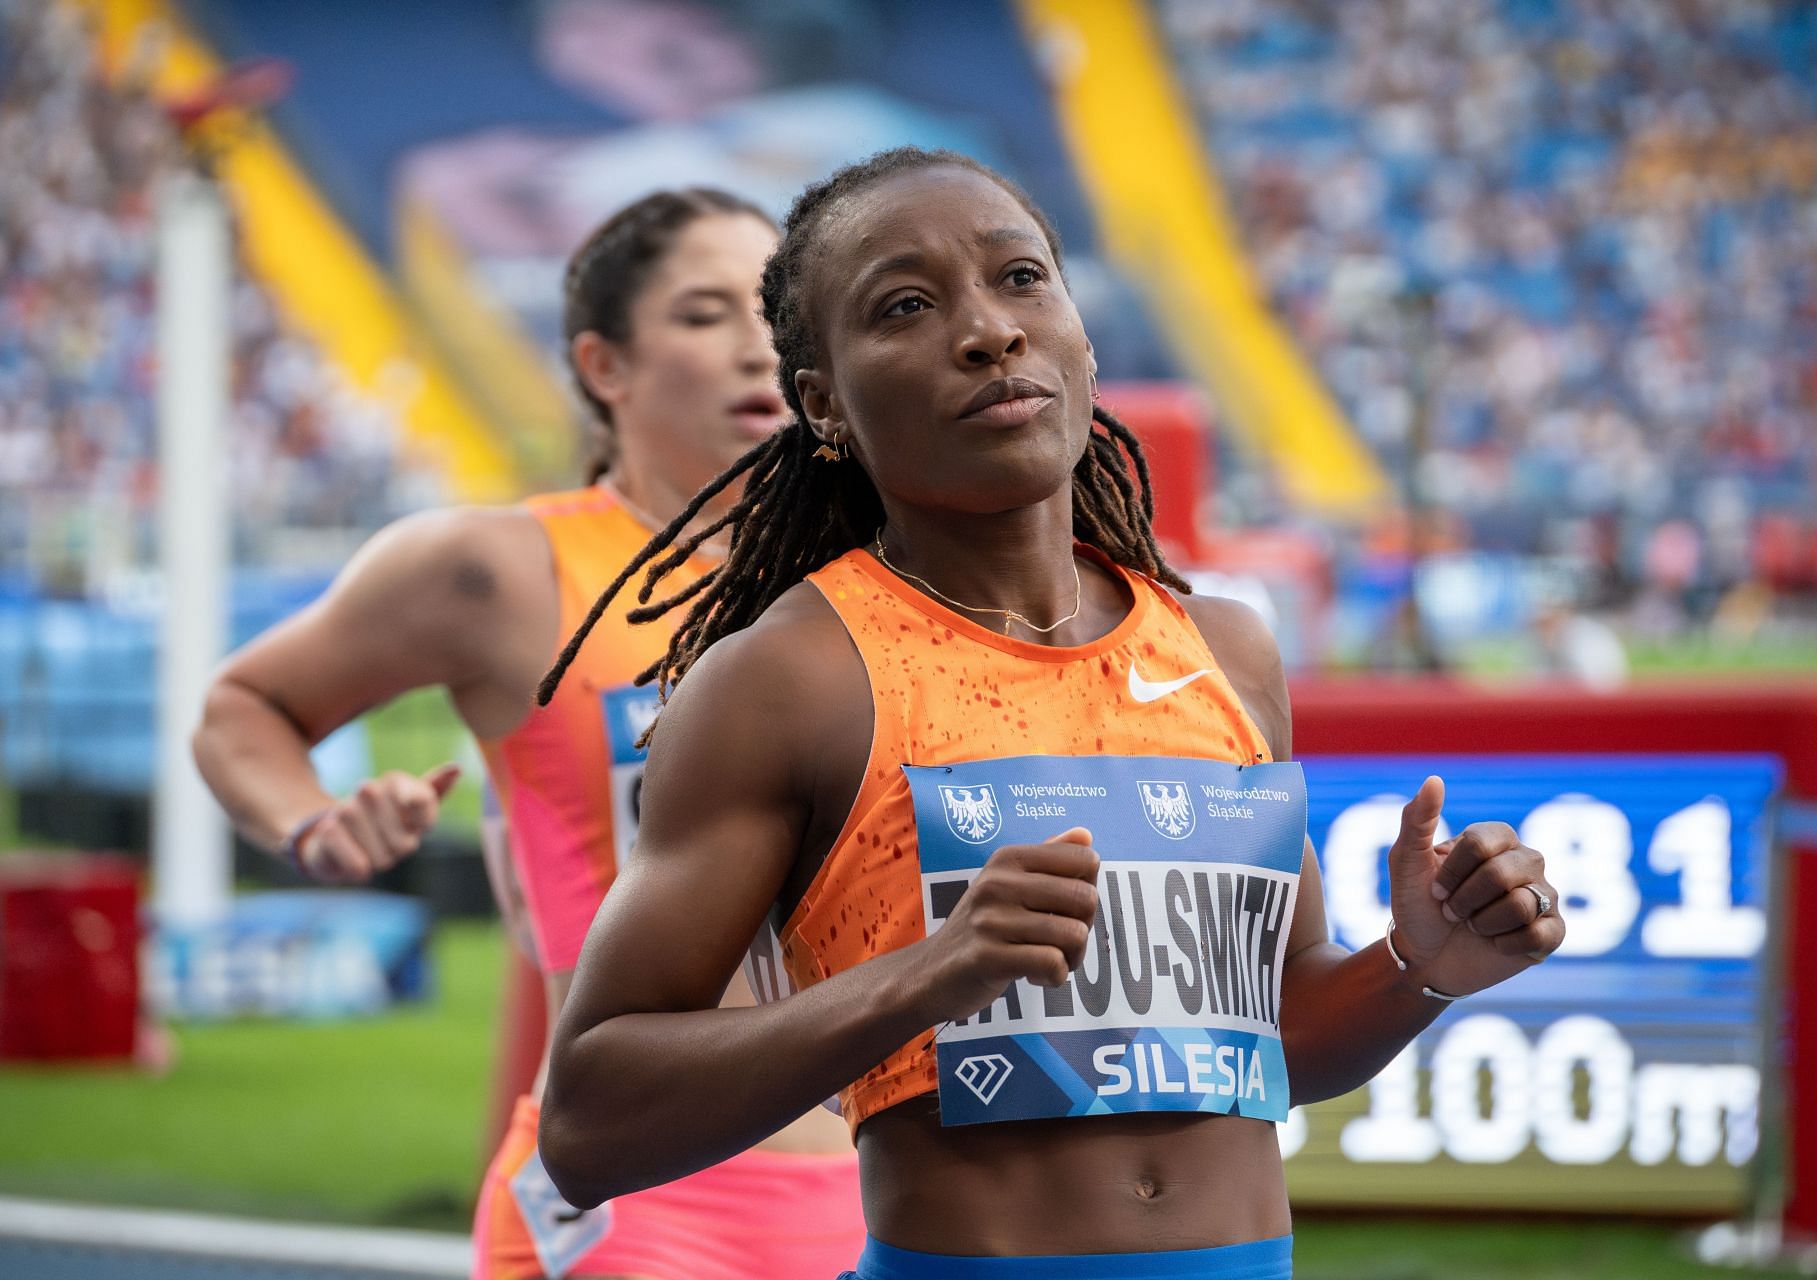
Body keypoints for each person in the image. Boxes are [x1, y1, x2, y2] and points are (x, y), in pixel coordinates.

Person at [536, 148, 1566, 1278]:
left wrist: (1420, 965)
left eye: (1022, 278)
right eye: (907, 306)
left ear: (1078, 329)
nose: (988, 331)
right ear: (822, 400)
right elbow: (588, 1124)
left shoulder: (1224, 647)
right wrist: (927, 976)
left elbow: (1287, 1039)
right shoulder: (788, 678)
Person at [191, 188, 863, 1280]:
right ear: (606, 366)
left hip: (875, 1183)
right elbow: (245, 706)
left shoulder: (874, 578)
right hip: (629, 1196)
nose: (755, 348)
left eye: (774, 313)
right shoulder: (501, 571)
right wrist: (313, 823)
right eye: (705, 314)